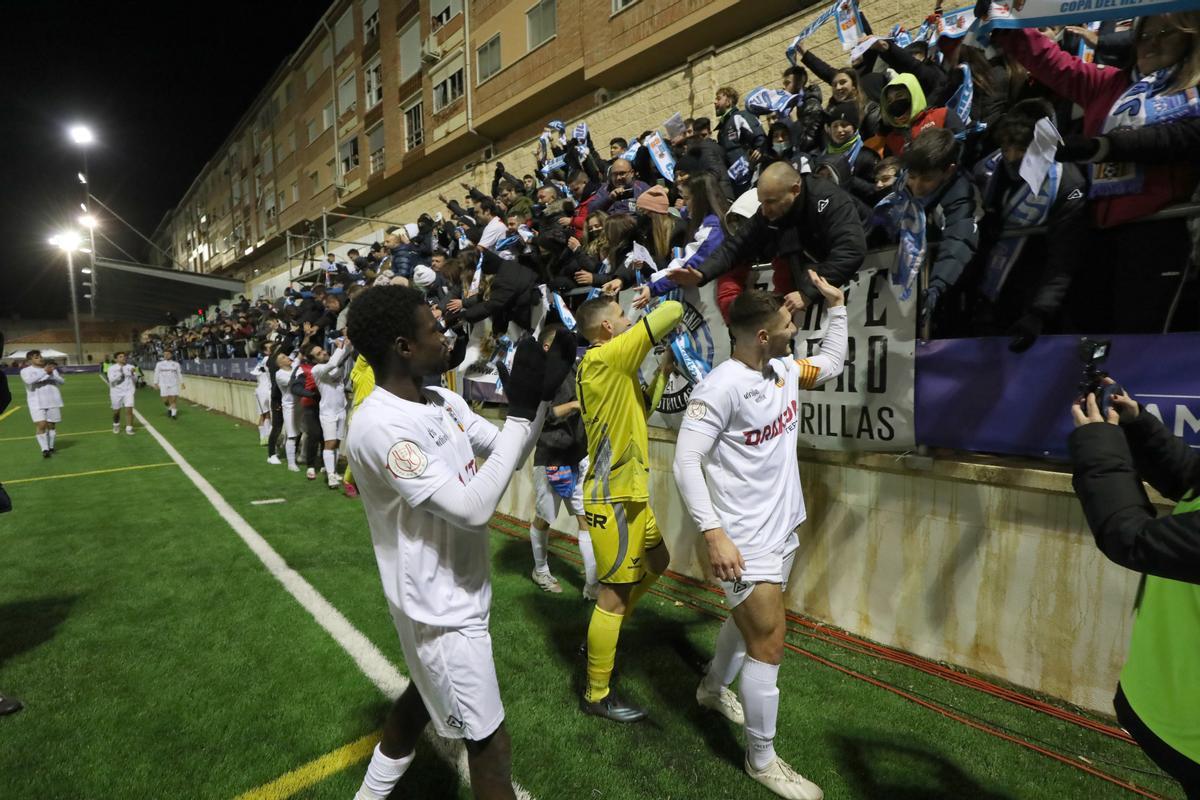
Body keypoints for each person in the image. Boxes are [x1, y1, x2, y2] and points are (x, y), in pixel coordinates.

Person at [344, 284, 573, 800]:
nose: (445, 334)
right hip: (438, 609)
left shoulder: (442, 399)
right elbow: (472, 509)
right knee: (490, 746)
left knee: (422, 698)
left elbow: (508, 454)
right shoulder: (379, 426)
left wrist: (535, 401)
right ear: (403, 346)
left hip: (459, 591)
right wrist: (518, 415)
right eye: (433, 329)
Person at [674, 280, 846, 800]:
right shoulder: (719, 387)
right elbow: (685, 462)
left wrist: (837, 308)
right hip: (744, 541)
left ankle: (710, 688)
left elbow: (832, 363)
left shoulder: (784, 370)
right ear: (764, 336)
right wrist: (713, 533)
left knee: (745, 625)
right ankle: (762, 760)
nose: (796, 333)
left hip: (781, 531)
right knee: (768, 644)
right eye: (789, 329)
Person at [1069, 379, 1200, 798]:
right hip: (1169, 709)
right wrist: (1138, 426)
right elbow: (1192, 479)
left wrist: (1096, 444)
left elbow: (1130, 537)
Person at [574, 294, 683, 722]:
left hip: (629, 492)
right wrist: (656, 293)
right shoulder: (609, 356)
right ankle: (596, 693)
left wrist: (662, 372)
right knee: (614, 594)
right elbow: (672, 312)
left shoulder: (607, 364)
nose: (628, 319)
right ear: (607, 328)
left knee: (659, 560)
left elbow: (644, 409)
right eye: (622, 315)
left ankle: (606, 630)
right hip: (613, 496)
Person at [672, 162, 866, 316]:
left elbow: (851, 249)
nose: (764, 210)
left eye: (771, 202)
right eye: (762, 202)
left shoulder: (828, 199)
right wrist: (702, 273)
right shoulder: (770, 210)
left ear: (795, 190)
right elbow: (737, 245)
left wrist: (807, 293)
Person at [528, 325, 597, 598]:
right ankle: (540, 569)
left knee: (586, 519)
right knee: (545, 518)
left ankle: (592, 584)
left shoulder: (575, 368)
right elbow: (542, 415)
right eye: (563, 343)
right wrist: (576, 405)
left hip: (578, 456)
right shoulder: (539, 376)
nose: (571, 346)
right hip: (550, 459)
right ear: (547, 347)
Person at [309, 339, 352, 489]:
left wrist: (348, 344)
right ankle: (331, 474)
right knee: (330, 443)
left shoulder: (332, 365)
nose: (324, 352)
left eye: (323, 350)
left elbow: (341, 359)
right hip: (328, 412)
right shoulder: (317, 370)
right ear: (315, 360)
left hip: (341, 409)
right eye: (319, 353)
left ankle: (331, 471)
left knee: (338, 443)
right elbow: (333, 364)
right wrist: (341, 348)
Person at [20, 350, 65, 457]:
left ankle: (51, 446)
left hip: (53, 400)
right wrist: (45, 372)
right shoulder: (26, 371)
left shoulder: (51, 370)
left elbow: (62, 382)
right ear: (30, 360)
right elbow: (29, 381)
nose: (40, 358)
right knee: (41, 425)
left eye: (40, 356)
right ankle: (44, 450)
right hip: (36, 402)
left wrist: (52, 375)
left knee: (51, 425)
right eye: (36, 357)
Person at [274, 351, 302, 472]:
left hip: (302, 403)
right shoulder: (279, 374)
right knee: (292, 435)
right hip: (289, 406)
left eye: (286, 355)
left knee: (301, 432)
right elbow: (293, 383)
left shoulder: (295, 366)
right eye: (284, 357)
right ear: (280, 363)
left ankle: (299, 455)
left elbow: (300, 354)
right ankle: (291, 463)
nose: (288, 358)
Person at [107, 352, 136, 435]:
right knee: (116, 411)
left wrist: (133, 374)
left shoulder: (131, 367)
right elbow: (111, 380)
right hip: (116, 392)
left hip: (128, 392)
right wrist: (121, 373)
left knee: (129, 410)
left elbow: (135, 379)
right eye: (120, 357)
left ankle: (129, 428)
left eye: (124, 356)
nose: (123, 358)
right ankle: (116, 425)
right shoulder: (112, 368)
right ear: (116, 359)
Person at [251, 345, 275, 444]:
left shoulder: (260, 365)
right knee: (265, 414)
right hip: (263, 391)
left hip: (263, 390)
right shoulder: (265, 362)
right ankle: (265, 437)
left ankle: (266, 437)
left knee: (266, 414)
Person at [152, 348, 184, 420]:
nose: (166, 355)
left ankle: (173, 414)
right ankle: (169, 407)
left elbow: (179, 374)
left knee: (173, 399)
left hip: (173, 384)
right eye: (165, 354)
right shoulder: (159, 364)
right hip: (163, 384)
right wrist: (155, 383)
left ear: (171, 355)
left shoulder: (176, 364)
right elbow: (156, 373)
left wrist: (182, 383)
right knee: (165, 400)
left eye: (168, 354)